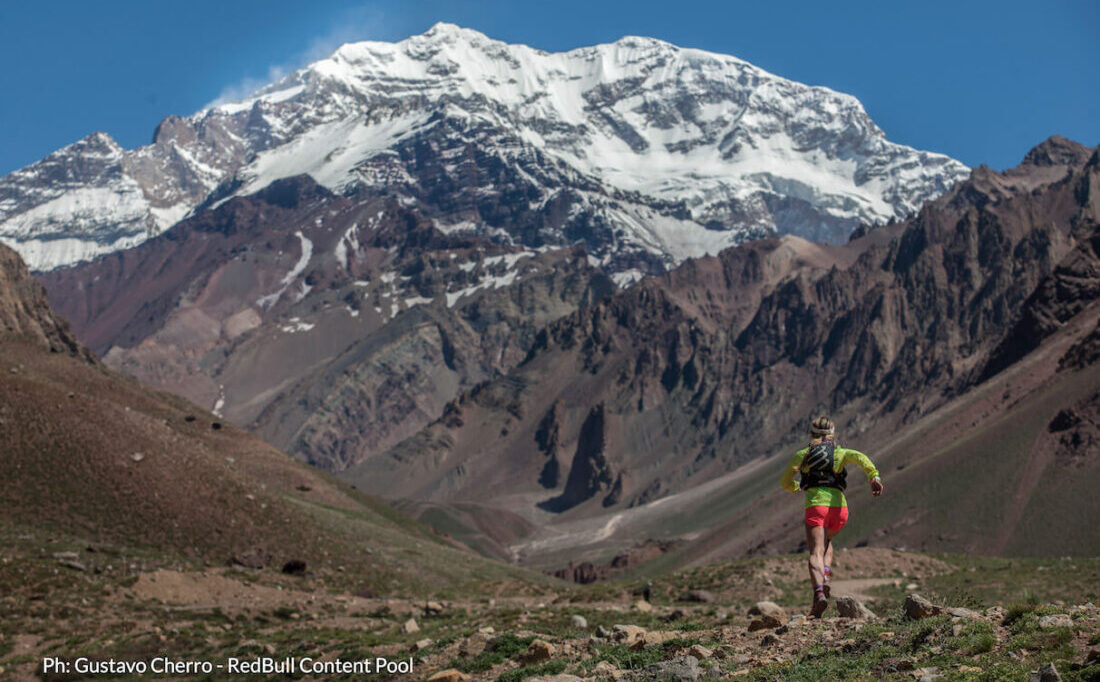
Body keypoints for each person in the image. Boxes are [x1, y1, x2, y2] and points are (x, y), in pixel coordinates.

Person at [779, 416, 884, 618]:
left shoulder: (803, 454)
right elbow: (862, 458)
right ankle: (825, 576)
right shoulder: (840, 452)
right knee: (827, 541)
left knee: (815, 553)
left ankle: (819, 592)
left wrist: (795, 487)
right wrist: (874, 477)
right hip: (840, 509)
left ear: (812, 434)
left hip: (816, 507)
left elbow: (785, 481)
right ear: (832, 434)